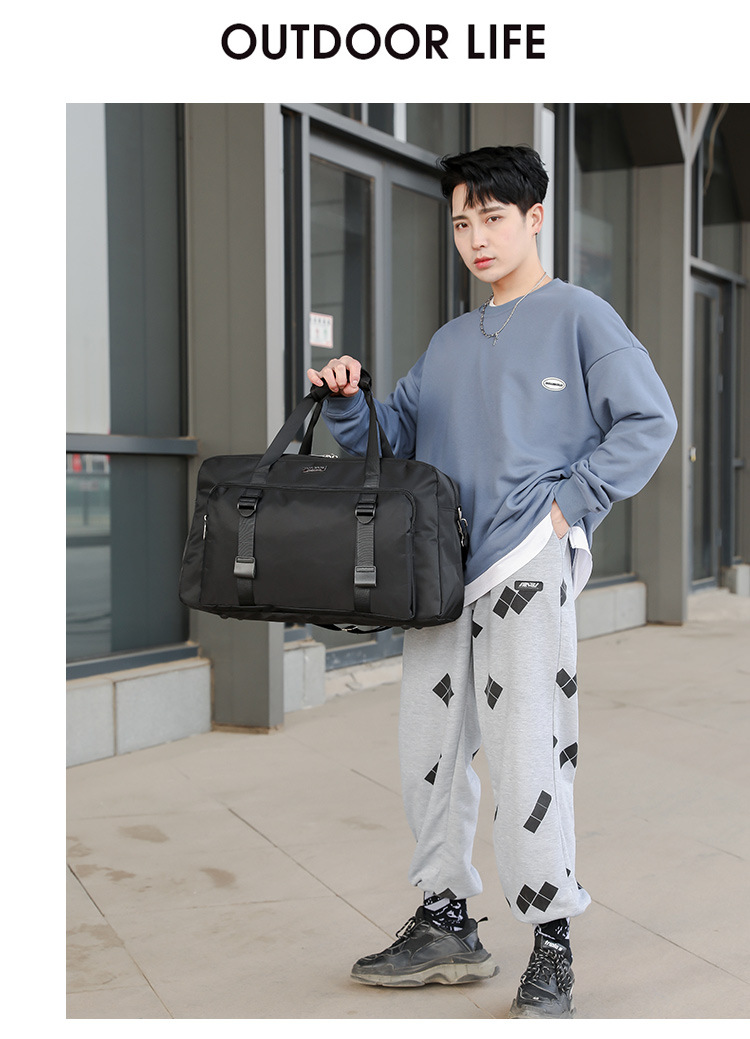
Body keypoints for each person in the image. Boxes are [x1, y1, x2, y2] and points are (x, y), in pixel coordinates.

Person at [306, 144, 678, 1018]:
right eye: (461, 222)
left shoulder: (581, 318)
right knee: (426, 750)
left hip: (526, 564)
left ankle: (552, 941)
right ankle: (445, 920)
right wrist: (349, 401)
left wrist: (569, 507)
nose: (476, 237)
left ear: (535, 218)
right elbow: (392, 439)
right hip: (439, 571)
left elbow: (649, 419)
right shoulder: (449, 341)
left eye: (493, 218)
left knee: (526, 751)